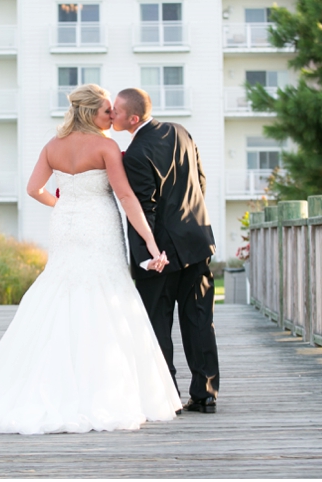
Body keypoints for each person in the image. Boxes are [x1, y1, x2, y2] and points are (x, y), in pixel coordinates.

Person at [0, 84, 182, 434]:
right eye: (107, 110)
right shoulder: (107, 147)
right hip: (99, 225)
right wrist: (151, 243)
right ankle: (103, 387)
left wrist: (61, 204)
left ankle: (45, 383)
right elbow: (125, 195)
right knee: (104, 291)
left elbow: (34, 189)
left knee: (60, 289)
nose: (112, 116)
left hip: (65, 224)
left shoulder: (52, 147)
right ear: (93, 113)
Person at [110, 87, 221, 414]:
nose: (110, 114)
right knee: (200, 319)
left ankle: (165, 394)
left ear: (132, 118)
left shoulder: (136, 153)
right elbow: (200, 182)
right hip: (197, 241)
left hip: (162, 254)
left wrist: (147, 256)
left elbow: (144, 210)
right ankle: (206, 394)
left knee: (157, 323)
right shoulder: (181, 131)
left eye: (115, 110)